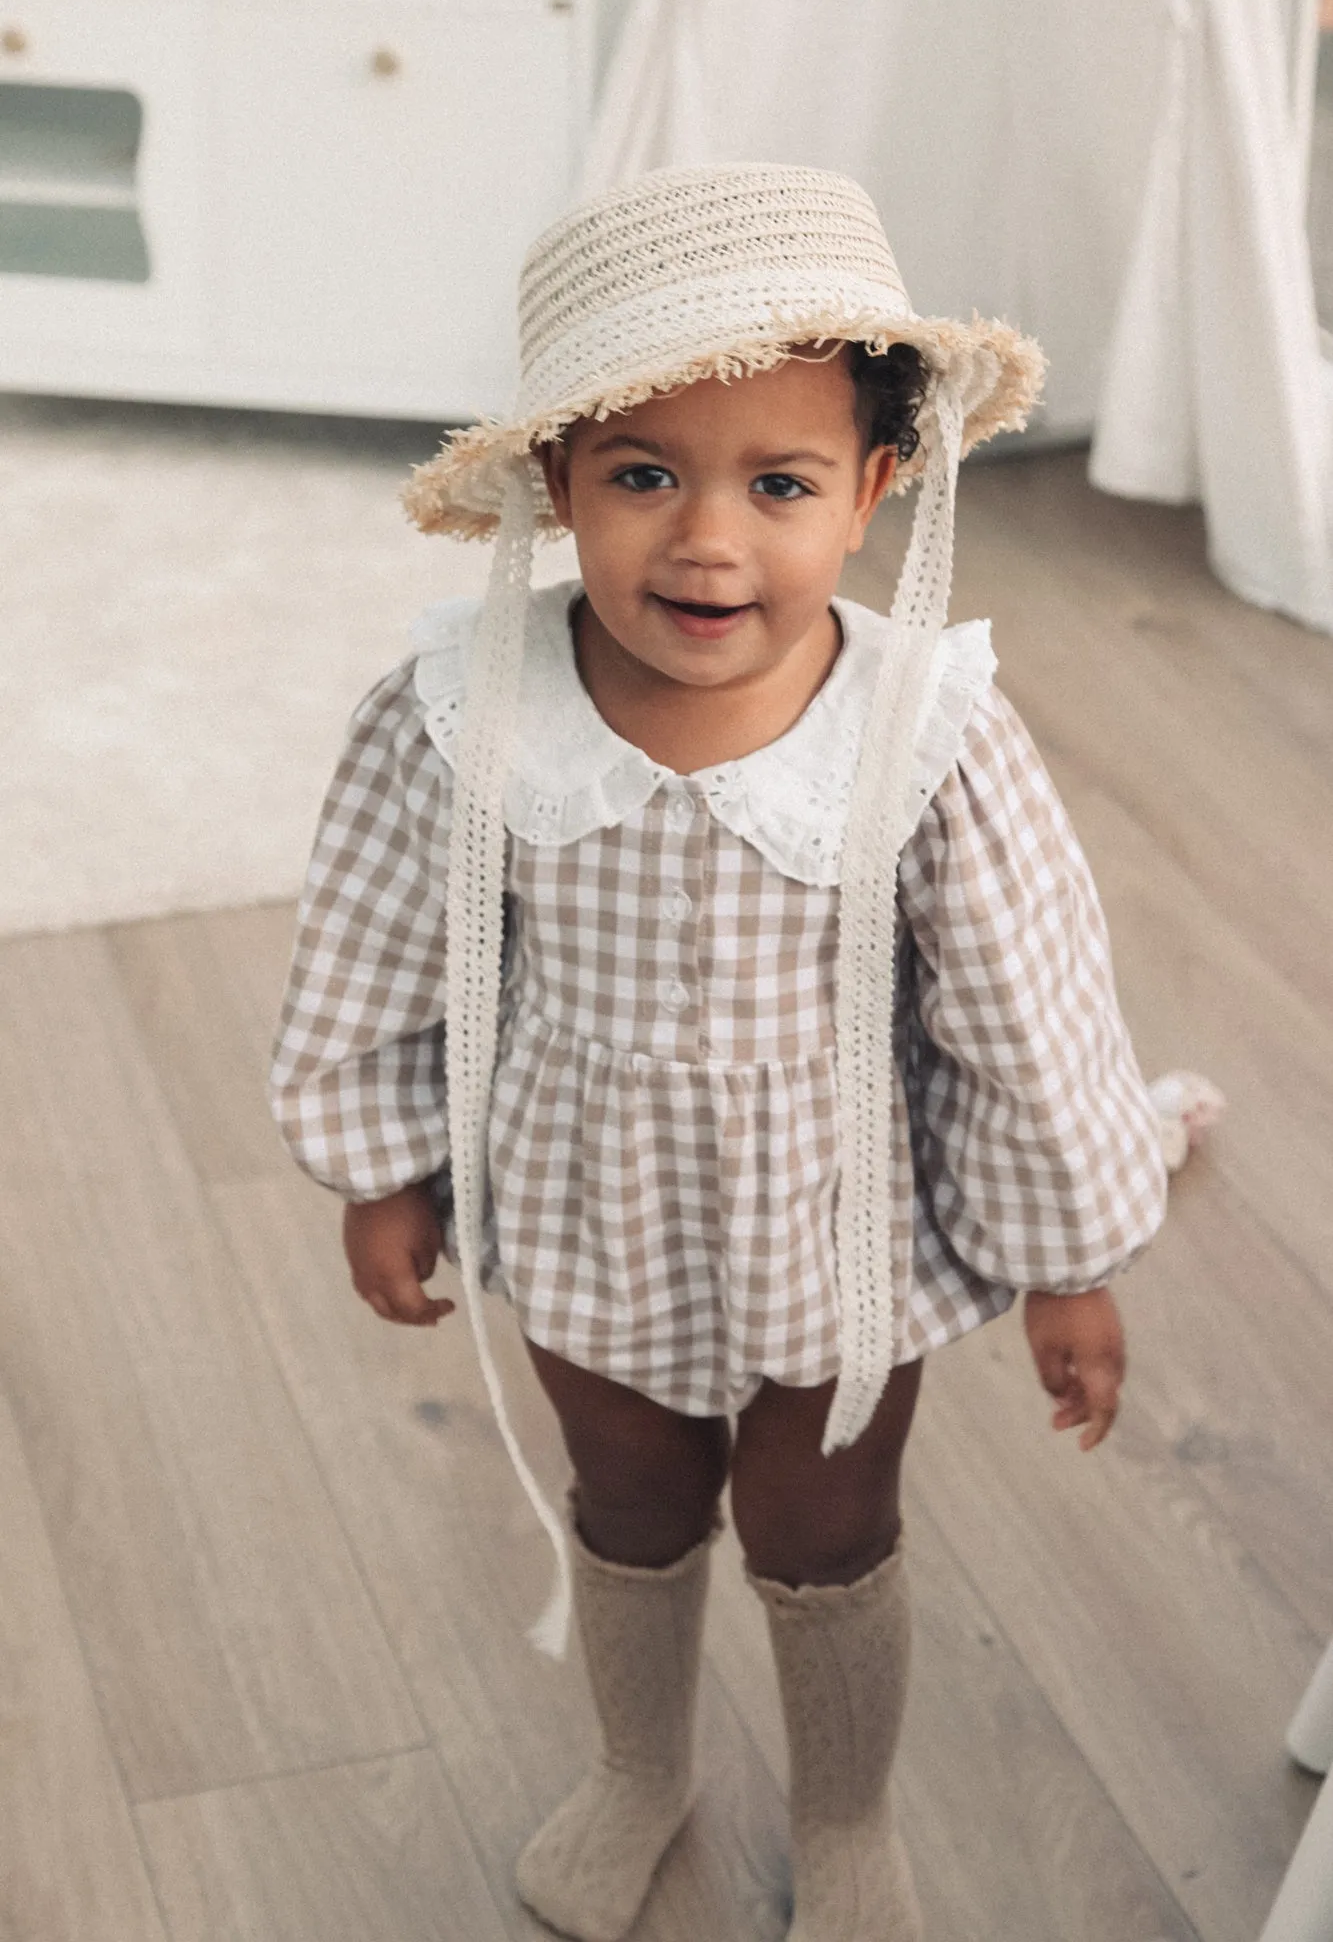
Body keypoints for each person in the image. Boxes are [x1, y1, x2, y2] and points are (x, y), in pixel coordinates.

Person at [269, 163, 1169, 1942]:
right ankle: (639, 1768)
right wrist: (383, 1165)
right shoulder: (466, 715)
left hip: (841, 1232)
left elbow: (1024, 1009)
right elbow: (377, 943)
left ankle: (844, 1820)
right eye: (642, 476)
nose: (706, 541)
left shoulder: (928, 741)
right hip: (582, 1206)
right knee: (629, 1497)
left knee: (824, 1531)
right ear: (555, 482)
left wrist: (1068, 1260)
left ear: (874, 492)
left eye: (779, 484)